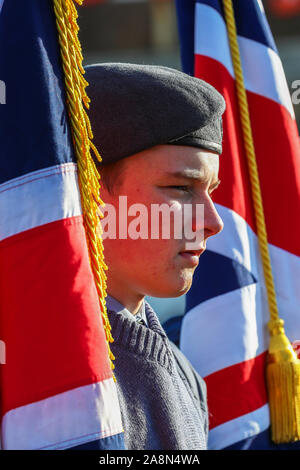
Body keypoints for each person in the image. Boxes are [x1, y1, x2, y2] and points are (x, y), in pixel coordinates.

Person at [84, 63, 225, 450]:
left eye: (210, 190)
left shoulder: (184, 373)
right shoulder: (33, 376)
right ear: (87, 194)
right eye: (181, 188)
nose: (213, 222)